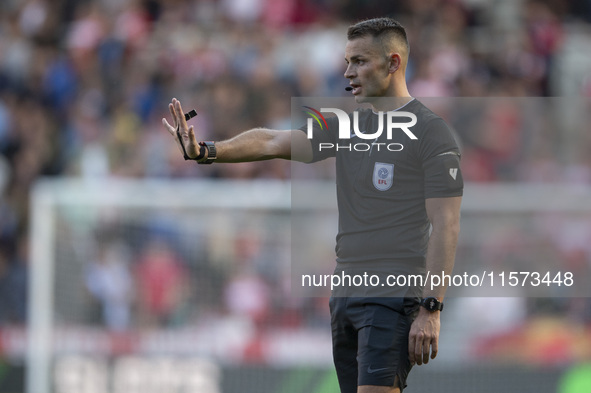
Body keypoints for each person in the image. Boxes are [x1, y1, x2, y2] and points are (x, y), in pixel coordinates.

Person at [162, 17, 463, 393]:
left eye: (359, 61)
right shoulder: (347, 125)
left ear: (393, 63)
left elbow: (447, 224)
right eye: (347, 61)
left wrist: (431, 308)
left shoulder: (430, 132)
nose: (347, 72)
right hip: (345, 292)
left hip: (393, 291)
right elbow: (272, 141)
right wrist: (206, 151)